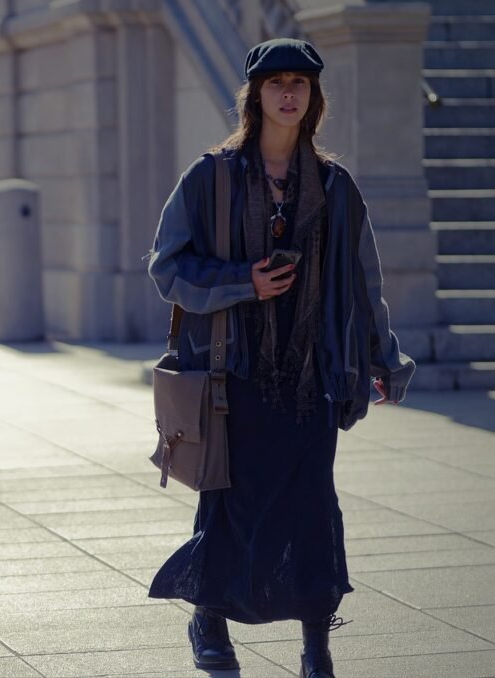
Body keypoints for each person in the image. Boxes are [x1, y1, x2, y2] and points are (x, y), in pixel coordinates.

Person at [145, 38, 415, 678]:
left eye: (299, 83)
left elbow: (362, 280)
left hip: (313, 376)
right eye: (275, 83)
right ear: (255, 96)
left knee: (314, 509)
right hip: (230, 373)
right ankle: (208, 620)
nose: (288, 93)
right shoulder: (210, 178)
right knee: (229, 506)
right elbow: (168, 266)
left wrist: (385, 359)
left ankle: (316, 645)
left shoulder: (336, 186)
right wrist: (245, 282)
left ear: (313, 98)